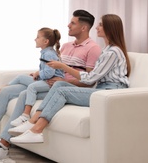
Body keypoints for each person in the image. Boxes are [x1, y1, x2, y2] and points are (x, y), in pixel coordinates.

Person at [0, 10, 101, 161]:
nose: (68, 25)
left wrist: (65, 82)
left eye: (73, 23)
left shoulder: (93, 49)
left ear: (84, 27)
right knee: (7, 92)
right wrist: (38, 73)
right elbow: (50, 67)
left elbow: (89, 80)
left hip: (63, 89)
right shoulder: (66, 46)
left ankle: (3, 145)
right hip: (49, 83)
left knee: (24, 94)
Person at [10, 14, 131, 144]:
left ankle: (36, 130)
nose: (97, 27)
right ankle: (32, 121)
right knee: (59, 85)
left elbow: (90, 79)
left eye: (100, 25)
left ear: (110, 28)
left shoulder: (112, 52)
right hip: (102, 90)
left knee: (62, 91)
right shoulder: (107, 50)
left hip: (109, 93)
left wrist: (63, 67)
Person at [0, 27, 64, 110]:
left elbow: (49, 73)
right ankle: (0, 91)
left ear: (46, 41)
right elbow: (48, 69)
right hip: (45, 81)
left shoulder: (48, 54)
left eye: (38, 37)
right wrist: (37, 72)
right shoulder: (47, 53)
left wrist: (38, 73)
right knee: (20, 78)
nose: (35, 39)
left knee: (24, 81)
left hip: (49, 83)